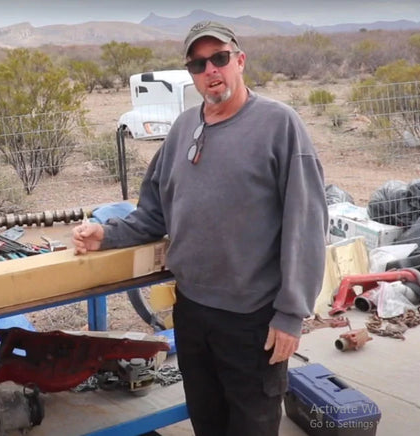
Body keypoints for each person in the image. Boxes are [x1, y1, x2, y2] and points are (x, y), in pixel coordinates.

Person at [72, 20, 328, 436]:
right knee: (207, 422)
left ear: (240, 61)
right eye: (198, 64)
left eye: (220, 59)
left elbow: (307, 224)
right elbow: (155, 212)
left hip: (254, 320)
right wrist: (107, 234)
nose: (210, 71)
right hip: (192, 311)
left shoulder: (279, 125)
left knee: (251, 426)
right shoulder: (182, 129)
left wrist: (290, 314)